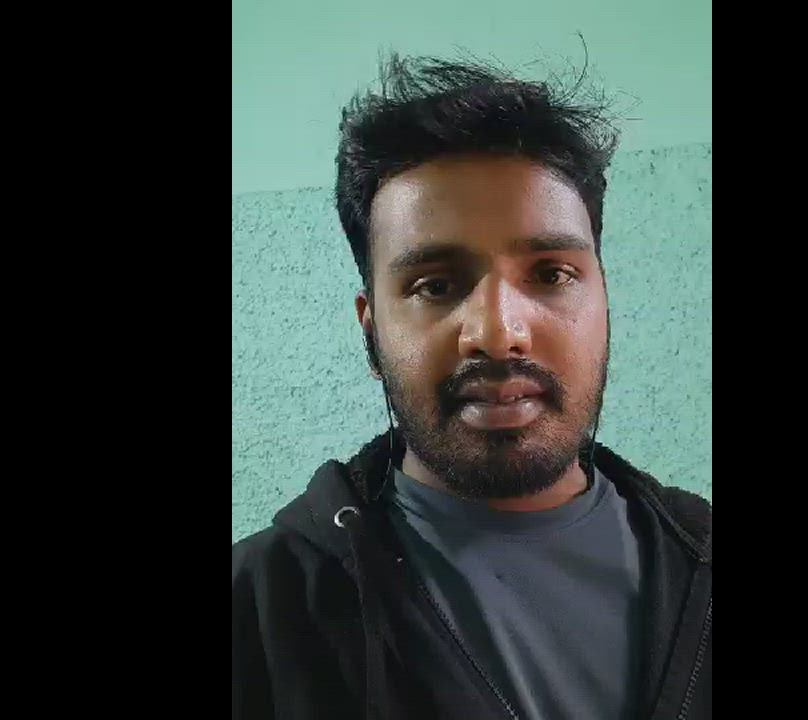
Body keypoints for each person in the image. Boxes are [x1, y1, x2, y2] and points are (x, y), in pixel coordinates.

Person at [232, 54, 712, 720]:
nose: (498, 332)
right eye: (436, 285)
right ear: (372, 333)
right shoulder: (259, 611)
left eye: (551, 274)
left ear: (604, 302)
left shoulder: (701, 556)